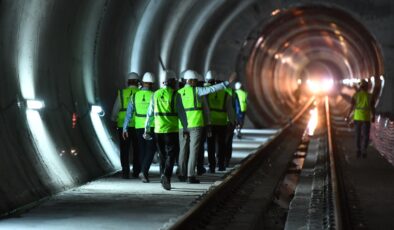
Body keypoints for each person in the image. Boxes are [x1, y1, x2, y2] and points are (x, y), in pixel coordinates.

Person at [178, 70, 234, 184]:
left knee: (183, 150)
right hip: (196, 124)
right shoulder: (198, 91)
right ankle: (190, 175)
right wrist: (225, 84)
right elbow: (211, 89)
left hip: (182, 126)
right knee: (193, 151)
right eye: (194, 81)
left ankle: (181, 173)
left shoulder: (178, 93)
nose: (195, 82)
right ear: (191, 81)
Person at [144, 70, 187, 190]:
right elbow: (182, 114)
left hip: (158, 130)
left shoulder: (155, 94)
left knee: (162, 155)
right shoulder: (176, 95)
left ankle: (162, 177)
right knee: (171, 155)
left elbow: (150, 113)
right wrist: (185, 128)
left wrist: (147, 129)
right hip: (171, 130)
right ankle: (166, 176)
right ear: (172, 81)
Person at [122, 72, 156, 183]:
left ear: (142, 82)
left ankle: (143, 171)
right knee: (151, 150)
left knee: (142, 150)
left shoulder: (135, 95)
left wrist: (125, 128)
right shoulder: (154, 95)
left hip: (138, 126)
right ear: (151, 84)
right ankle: (144, 171)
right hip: (151, 126)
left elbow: (129, 113)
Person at [111, 72, 140, 179]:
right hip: (137, 125)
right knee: (137, 149)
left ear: (127, 82)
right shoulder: (140, 93)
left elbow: (116, 108)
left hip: (123, 125)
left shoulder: (122, 93)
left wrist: (113, 119)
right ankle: (136, 171)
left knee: (124, 149)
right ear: (138, 82)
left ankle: (125, 172)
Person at [205, 70, 234, 172]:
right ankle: (221, 165)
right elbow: (230, 109)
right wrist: (232, 121)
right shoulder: (226, 93)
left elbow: (205, 108)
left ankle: (211, 166)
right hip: (222, 123)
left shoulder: (207, 92)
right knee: (221, 144)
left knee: (211, 145)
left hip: (210, 123)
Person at [346, 79, 375, 158]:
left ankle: (358, 150)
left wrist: (348, 116)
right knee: (366, 135)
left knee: (358, 135)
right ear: (367, 87)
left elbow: (351, 107)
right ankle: (364, 151)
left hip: (357, 118)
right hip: (366, 118)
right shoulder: (370, 96)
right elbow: (372, 107)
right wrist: (373, 116)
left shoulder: (356, 95)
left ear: (360, 87)